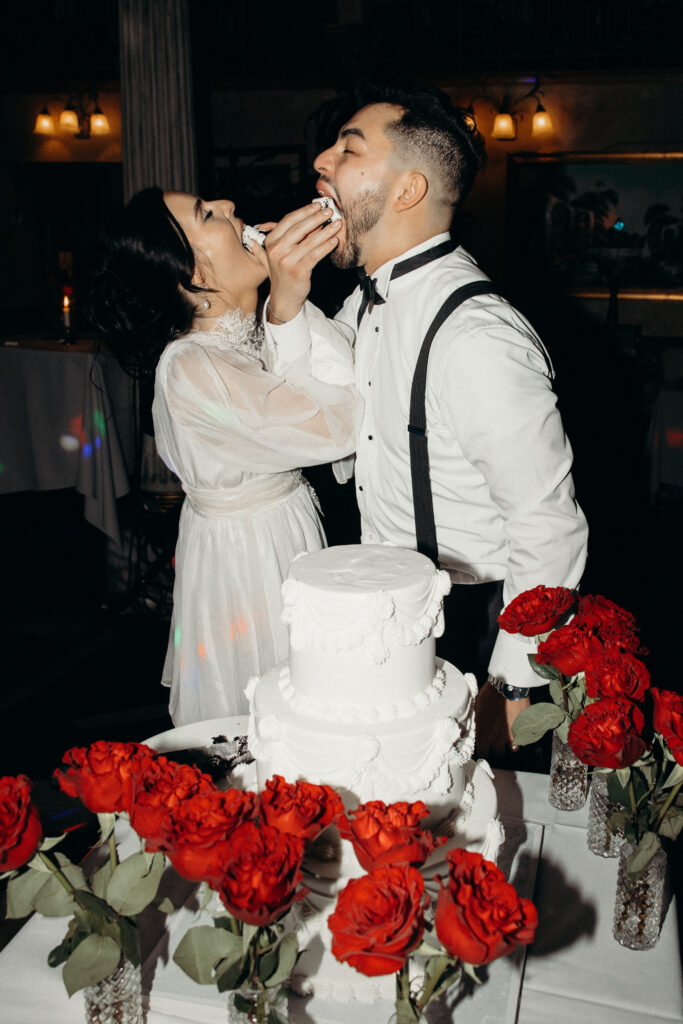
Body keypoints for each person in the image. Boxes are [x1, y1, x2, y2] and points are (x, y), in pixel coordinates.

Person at [261, 83, 589, 757]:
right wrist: (287, 299)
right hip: (390, 614)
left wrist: (512, 684)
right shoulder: (367, 301)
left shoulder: (474, 336)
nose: (320, 160)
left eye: (347, 148)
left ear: (406, 190)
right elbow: (307, 415)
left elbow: (547, 524)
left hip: (474, 623)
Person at [86, 187, 362, 725]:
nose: (232, 208)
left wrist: (284, 309)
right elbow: (341, 427)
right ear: (189, 277)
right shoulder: (192, 367)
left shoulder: (239, 338)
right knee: (271, 718)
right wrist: (287, 307)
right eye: (206, 215)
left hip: (278, 533)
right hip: (249, 563)